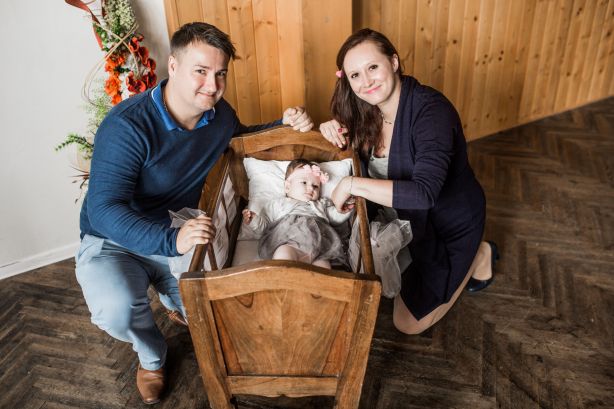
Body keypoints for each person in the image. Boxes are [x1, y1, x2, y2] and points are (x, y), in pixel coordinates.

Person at [75, 22, 313, 404]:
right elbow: (104, 210)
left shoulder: (218, 115)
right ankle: (152, 357)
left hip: (178, 229)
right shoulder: (127, 127)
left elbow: (242, 141)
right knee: (116, 309)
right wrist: (171, 241)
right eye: (200, 71)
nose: (212, 85)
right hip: (116, 239)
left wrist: (286, 126)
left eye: (221, 74)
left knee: (221, 317)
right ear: (173, 66)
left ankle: (173, 299)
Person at [319, 28, 499, 336]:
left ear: (394, 62)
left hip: (447, 224)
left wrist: (351, 184)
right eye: (355, 75)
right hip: (403, 218)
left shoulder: (432, 112)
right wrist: (331, 128)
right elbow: (355, 149)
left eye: (373, 67)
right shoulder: (366, 110)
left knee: (407, 324)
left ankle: (479, 253)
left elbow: (424, 193)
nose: (366, 82)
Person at [241, 159, 352, 269]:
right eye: (304, 182)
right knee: (283, 255)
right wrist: (254, 220)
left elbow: (334, 217)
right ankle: (283, 279)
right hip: (289, 245)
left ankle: (320, 281)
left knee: (324, 267)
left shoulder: (320, 204)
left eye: (315, 186)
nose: (310, 188)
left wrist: (344, 210)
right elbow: (264, 227)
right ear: (287, 187)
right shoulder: (279, 204)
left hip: (318, 250)